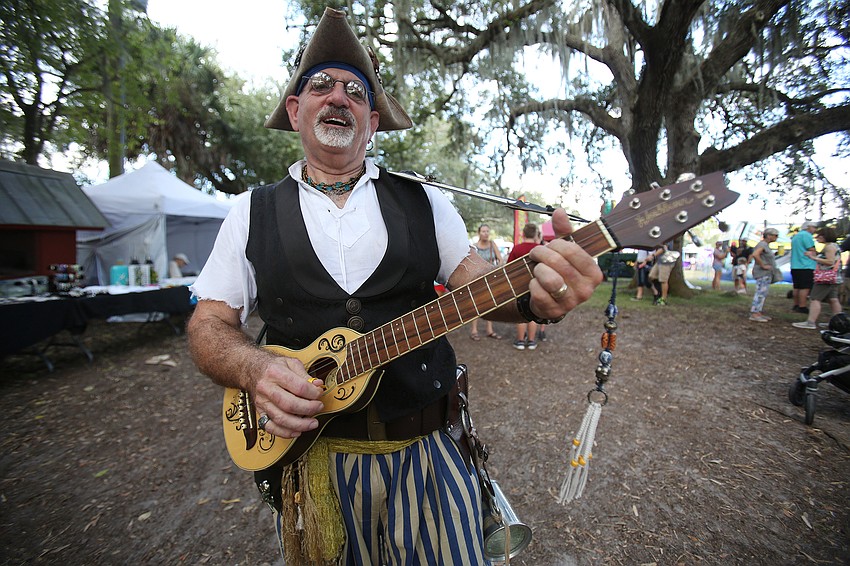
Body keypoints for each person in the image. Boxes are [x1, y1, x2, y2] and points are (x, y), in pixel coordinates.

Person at [185, 8, 602, 565]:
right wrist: (253, 369)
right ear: (295, 109)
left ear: (373, 120)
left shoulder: (425, 202)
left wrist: (539, 299)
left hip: (429, 453)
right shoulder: (249, 212)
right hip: (315, 462)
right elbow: (209, 324)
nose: (338, 97)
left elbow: (481, 288)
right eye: (321, 85)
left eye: (356, 91)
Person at [793, 227, 843, 329]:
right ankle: (838, 323)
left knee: (815, 299)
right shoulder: (835, 246)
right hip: (834, 277)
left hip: (825, 277)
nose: (817, 238)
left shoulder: (829, 247)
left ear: (825, 236)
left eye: (819, 235)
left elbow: (830, 262)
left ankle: (810, 322)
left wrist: (814, 258)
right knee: (833, 299)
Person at [506, 223, 544, 350]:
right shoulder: (540, 248)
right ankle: (532, 341)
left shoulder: (517, 248)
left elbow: (509, 267)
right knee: (533, 313)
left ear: (524, 233)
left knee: (521, 313)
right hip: (536, 283)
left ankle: (520, 340)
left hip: (519, 285)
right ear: (535, 234)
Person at [469, 224, 502, 340]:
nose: (486, 233)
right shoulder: (474, 247)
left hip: (491, 279)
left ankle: (490, 329)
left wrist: (496, 270)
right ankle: (474, 330)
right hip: (477, 279)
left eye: (487, 231)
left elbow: (500, 260)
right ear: (479, 233)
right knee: (475, 304)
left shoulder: (493, 245)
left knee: (490, 304)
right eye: (483, 231)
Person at [749, 227, 780, 322]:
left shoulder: (766, 245)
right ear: (769, 235)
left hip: (767, 273)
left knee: (763, 292)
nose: (777, 237)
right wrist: (763, 265)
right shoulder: (762, 244)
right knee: (760, 292)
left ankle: (758, 312)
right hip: (762, 273)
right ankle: (754, 313)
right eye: (775, 235)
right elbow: (755, 254)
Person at [790, 221, 818, 314]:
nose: (815, 230)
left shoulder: (796, 236)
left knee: (796, 286)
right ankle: (802, 306)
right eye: (813, 227)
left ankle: (796, 304)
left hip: (795, 264)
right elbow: (811, 248)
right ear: (808, 227)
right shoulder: (806, 235)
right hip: (806, 265)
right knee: (805, 287)